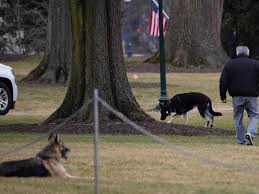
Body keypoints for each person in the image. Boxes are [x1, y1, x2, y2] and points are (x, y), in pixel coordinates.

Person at [219, 46, 259, 145]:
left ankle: (241, 141)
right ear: (248, 53)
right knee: (255, 115)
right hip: (251, 95)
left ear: (237, 53)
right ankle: (250, 133)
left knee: (238, 117)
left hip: (236, 96)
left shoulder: (230, 64)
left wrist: (223, 96)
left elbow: (223, 81)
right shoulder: (255, 64)